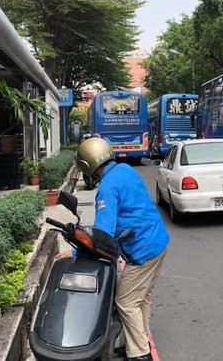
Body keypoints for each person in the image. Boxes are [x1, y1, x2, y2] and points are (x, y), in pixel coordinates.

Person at [58, 138, 170, 361]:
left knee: (126, 302)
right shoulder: (124, 170)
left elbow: (103, 237)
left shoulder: (107, 188)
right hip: (158, 240)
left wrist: (74, 253)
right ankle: (136, 341)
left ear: (87, 165)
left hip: (143, 249)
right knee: (141, 298)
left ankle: (139, 354)